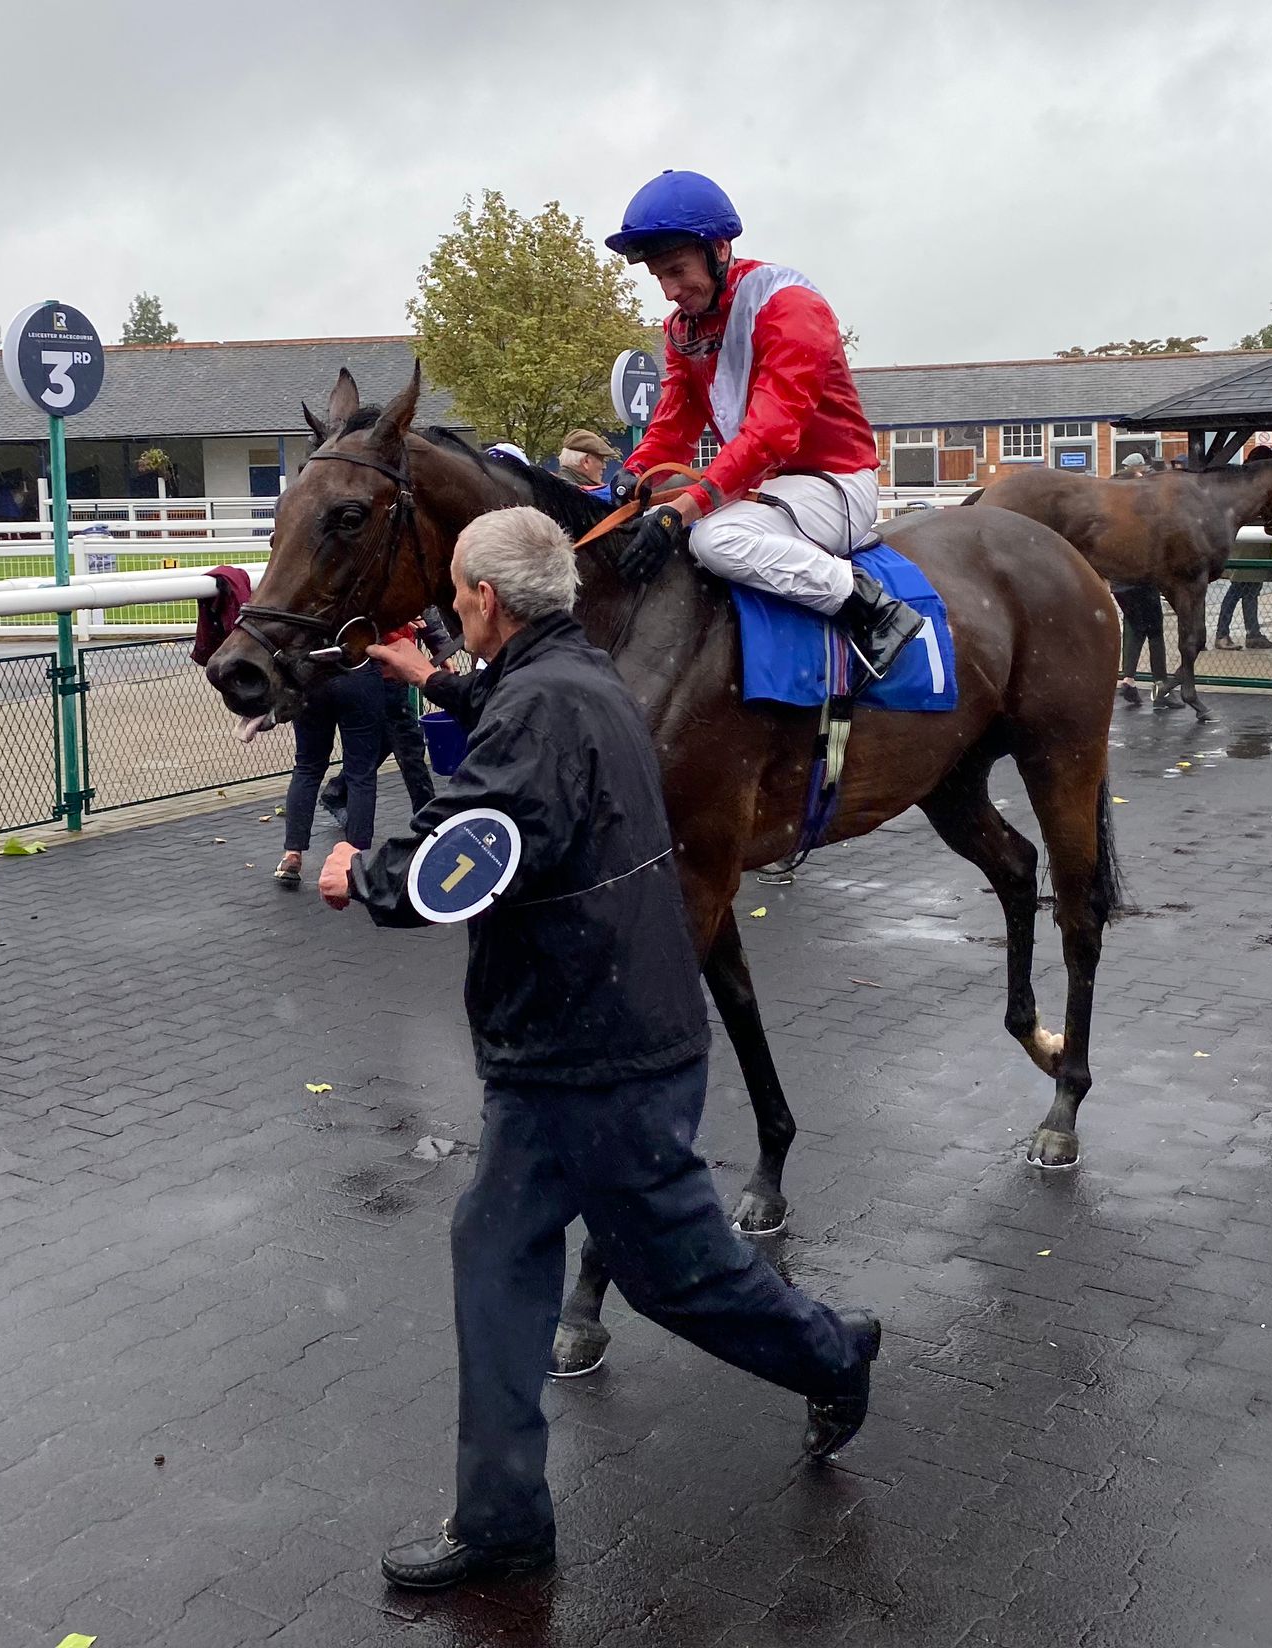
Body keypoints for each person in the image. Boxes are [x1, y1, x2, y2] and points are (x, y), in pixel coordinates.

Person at [320, 507, 882, 1591]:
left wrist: (367, 875)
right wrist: (434, 681)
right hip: (587, 1040)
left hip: (596, 1052)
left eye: (455, 594)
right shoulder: (576, 672)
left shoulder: (544, 702)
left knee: (676, 1275)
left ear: (485, 600)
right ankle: (502, 1522)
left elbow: (475, 849)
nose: (450, 610)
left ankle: (831, 1347)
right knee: (501, 1253)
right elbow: (523, 730)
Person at [603, 170, 923, 678]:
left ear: (720, 248)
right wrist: (634, 472)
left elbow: (772, 433)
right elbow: (674, 425)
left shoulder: (791, 308)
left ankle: (874, 610)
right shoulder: (682, 329)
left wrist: (682, 508)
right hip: (764, 487)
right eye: (658, 277)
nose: (669, 291)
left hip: (835, 483)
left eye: (678, 270)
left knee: (713, 541)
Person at [320, 609, 454, 832]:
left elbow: (424, 609)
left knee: (390, 740)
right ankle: (428, 818)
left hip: (394, 668)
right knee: (409, 743)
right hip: (377, 670)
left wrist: (441, 648)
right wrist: (398, 618)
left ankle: (337, 791)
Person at [271, 661, 389, 888]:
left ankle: (292, 854)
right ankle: (355, 858)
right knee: (361, 772)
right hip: (359, 673)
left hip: (312, 676)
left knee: (307, 766)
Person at [1213, 445, 1272, 649]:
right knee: (1239, 588)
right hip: (1247, 544)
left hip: (1251, 542)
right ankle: (1223, 634)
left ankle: (1252, 633)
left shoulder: (1245, 480)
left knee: (1250, 589)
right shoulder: (1250, 483)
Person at [557, 428, 621, 492]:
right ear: (586, 461)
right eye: (602, 461)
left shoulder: (558, 488)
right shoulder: (575, 494)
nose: (604, 467)